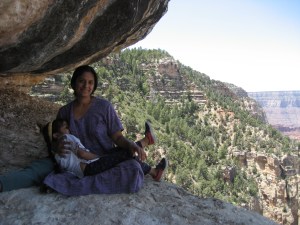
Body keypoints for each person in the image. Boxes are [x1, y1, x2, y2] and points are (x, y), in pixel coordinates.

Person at [0, 65, 167, 194]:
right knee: (36, 170)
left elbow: (117, 138)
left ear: (94, 86)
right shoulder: (64, 111)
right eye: (81, 81)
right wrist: (55, 147)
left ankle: (144, 147)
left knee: (133, 166)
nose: (86, 86)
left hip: (101, 159)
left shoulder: (104, 107)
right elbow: (56, 141)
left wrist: (130, 145)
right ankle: (3, 184)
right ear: (73, 83)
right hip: (73, 161)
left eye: (90, 82)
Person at [42, 118, 166, 180]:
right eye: (66, 127)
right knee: (121, 154)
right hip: (91, 168)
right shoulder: (67, 138)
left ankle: (154, 171)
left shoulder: (56, 155)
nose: (69, 130)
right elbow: (82, 154)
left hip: (85, 171)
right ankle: (146, 142)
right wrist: (101, 158)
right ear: (56, 135)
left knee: (118, 153)